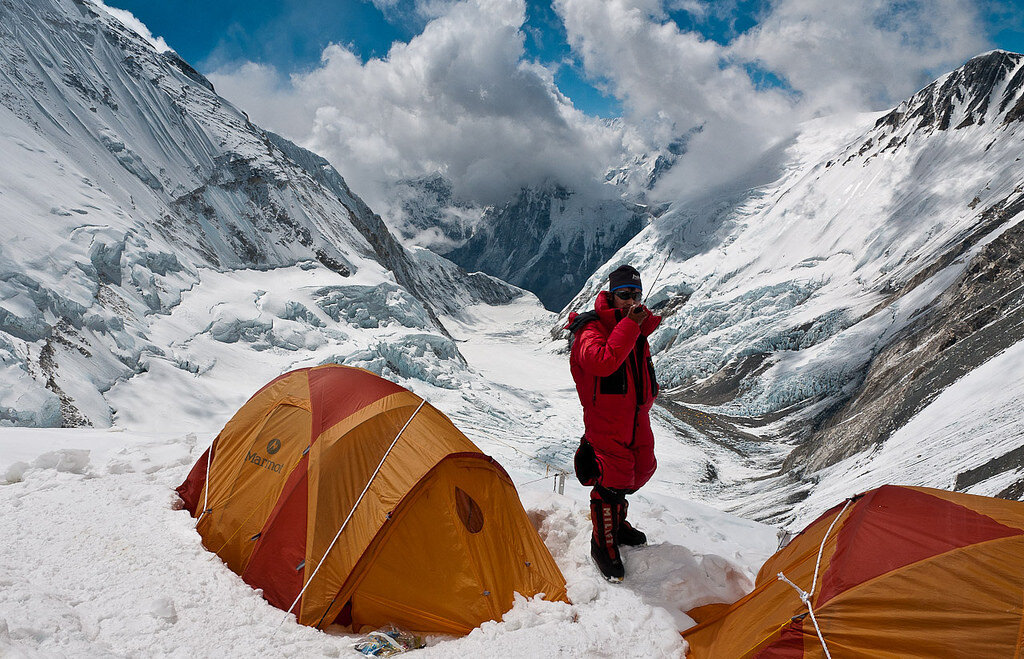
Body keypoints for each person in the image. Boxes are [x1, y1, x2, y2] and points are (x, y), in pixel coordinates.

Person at [565, 264, 661, 582]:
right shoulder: (590, 329)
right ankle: (602, 542)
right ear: (611, 295)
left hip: (635, 418)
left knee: (642, 468)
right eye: (624, 295)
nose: (631, 300)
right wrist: (631, 326)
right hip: (605, 421)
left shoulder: (633, 326)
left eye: (635, 294)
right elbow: (600, 362)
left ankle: (616, 523)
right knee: (613, 478)